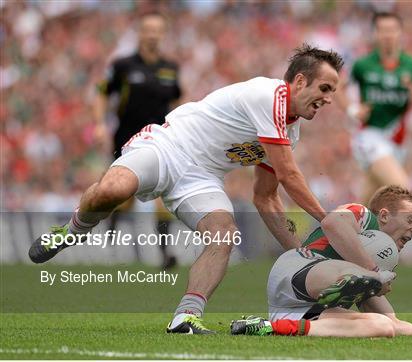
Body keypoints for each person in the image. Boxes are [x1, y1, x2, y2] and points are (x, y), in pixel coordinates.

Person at [28, 44, 346, 334]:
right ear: (300, 81)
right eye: (325, 88)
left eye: (332, 91)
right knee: (113, 189)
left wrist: (299, 254)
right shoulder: (269, 96)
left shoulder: (291, 131)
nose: (329, 99)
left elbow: (265, 196)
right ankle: (73, 230)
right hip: (169, 146)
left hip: (202, 179)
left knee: (223, 234)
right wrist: (325, 218)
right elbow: (289, 174)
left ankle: (186, 317)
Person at [230, 185, 412, 338]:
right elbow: (331, 223)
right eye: (410, 219)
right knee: (360, 278)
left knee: (382, 326)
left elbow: (393, 323)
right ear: (385, 215)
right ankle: (350, 284)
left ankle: (269, 328)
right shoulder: (363, 216)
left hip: (297, 311)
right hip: (299, 269)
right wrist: (374, 273)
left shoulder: (372, 268)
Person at [94, 11, 182, 270]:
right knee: (124, 196)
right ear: (140, 33)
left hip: (160, 140)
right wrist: (99, 124)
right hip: (126, 139)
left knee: (164, 195)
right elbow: (101, 93)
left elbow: (178, 99)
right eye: (148, 29)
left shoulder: (170, 68)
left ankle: (166, 254)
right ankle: (110, 237)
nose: (153, 34)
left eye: (158, 30)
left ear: (163, 34)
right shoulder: (122, 65)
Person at [336, 12, 412, 204]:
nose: (387, 34)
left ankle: (338, 230)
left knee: (366, 206)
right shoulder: (363, 65)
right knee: (405, 194)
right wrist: (352, 109)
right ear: (374, 33)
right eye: (382, 30)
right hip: (370, 137)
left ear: (401, 32)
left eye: (392, 29)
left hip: (397, 142)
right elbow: (337, 87)